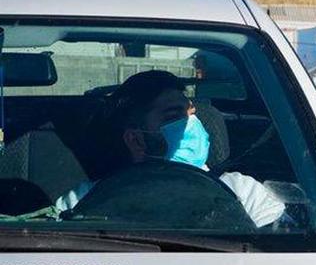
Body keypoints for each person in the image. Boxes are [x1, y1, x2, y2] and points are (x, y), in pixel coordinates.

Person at [54, 70, 286, 228]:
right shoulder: (86, 199)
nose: (191, 124)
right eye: (174, 116)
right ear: (136, 140)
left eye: (192, 113)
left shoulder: (243, 192)